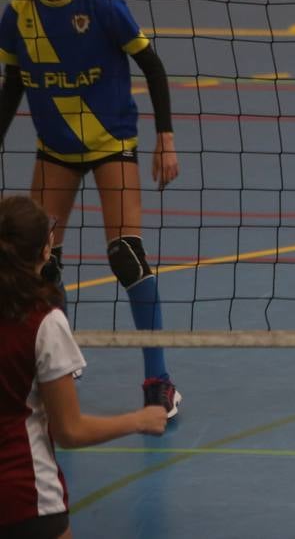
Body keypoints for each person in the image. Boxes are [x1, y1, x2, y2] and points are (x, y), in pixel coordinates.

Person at [0, 0, 182, 418]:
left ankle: (159, 380)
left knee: (126, 254)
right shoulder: (17, 16)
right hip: (54, 149)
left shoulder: (102, 7)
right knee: (41, 262)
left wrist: (164, 140)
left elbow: (154, 66)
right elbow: (13, 84)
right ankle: (53, 366)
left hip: (110, 145)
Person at [0, 194, 168, 539]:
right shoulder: (44, 323)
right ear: (45, 250)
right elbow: (69, 430)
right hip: (26, 497)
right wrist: (140, 420)